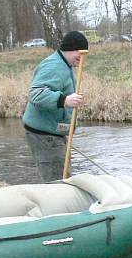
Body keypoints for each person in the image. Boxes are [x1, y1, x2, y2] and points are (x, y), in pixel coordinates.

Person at [23, 30, 88, 181]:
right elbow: (36, 94)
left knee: (62, 176)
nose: (81, 59)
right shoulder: (54, 66)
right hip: (45, 137)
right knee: (56, 180)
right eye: (81, 54)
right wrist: (64, 100)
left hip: (53, 134)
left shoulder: (65, 64)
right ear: (73, 50)